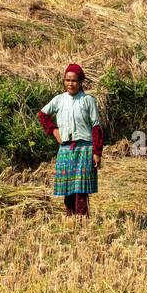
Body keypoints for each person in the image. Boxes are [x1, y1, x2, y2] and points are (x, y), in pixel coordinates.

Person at [38, 63, 103, 218]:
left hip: (85, 148)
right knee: (67, 187)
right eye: (67, 80)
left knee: (81, 189)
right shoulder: (59, 100)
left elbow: (96, 127)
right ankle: (70, 217)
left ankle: (82, 219)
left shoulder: (88, 100)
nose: (70, 83)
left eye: (74, 81)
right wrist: (54, 131)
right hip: (66, 149)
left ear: (80, 82)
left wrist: (97, 152)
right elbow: (42, 115)